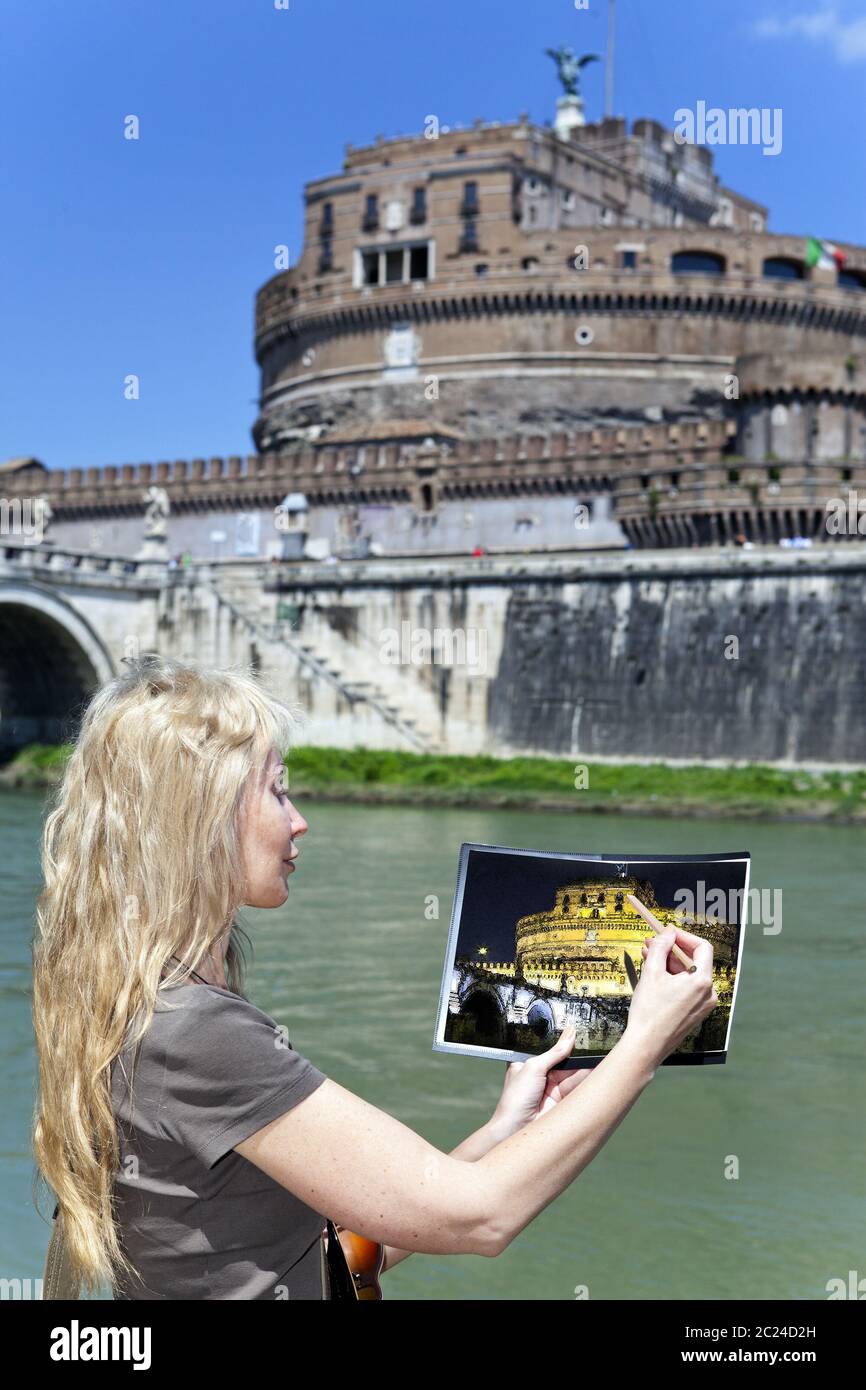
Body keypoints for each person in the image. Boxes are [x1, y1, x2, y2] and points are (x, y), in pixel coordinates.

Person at [31, 655, 717, 1300]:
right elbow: (481, 1220)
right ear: (201, 819)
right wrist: (645, 1043)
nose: (299, 822)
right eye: (276, 792)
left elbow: (346, 1246)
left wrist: (509, 1126)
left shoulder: (149, 1003)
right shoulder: (198, 1031)